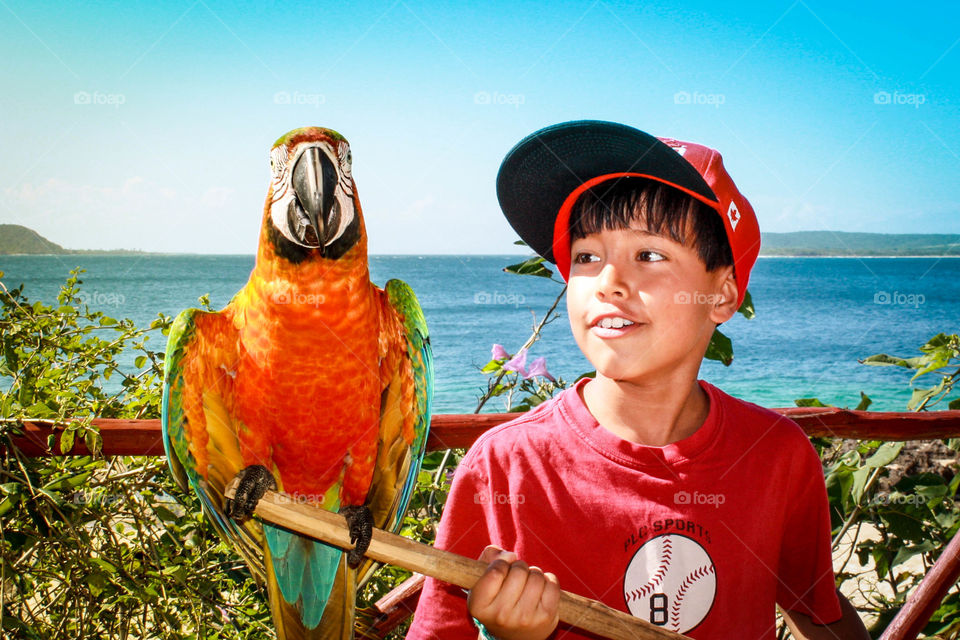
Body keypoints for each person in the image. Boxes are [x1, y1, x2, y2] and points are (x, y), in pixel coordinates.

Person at [406, 120, 869, 640]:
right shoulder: (505, 464)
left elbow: (815, 608)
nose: (608, 282)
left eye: (649, 255)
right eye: (587, 256)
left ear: (721, 295)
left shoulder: (777, 454)